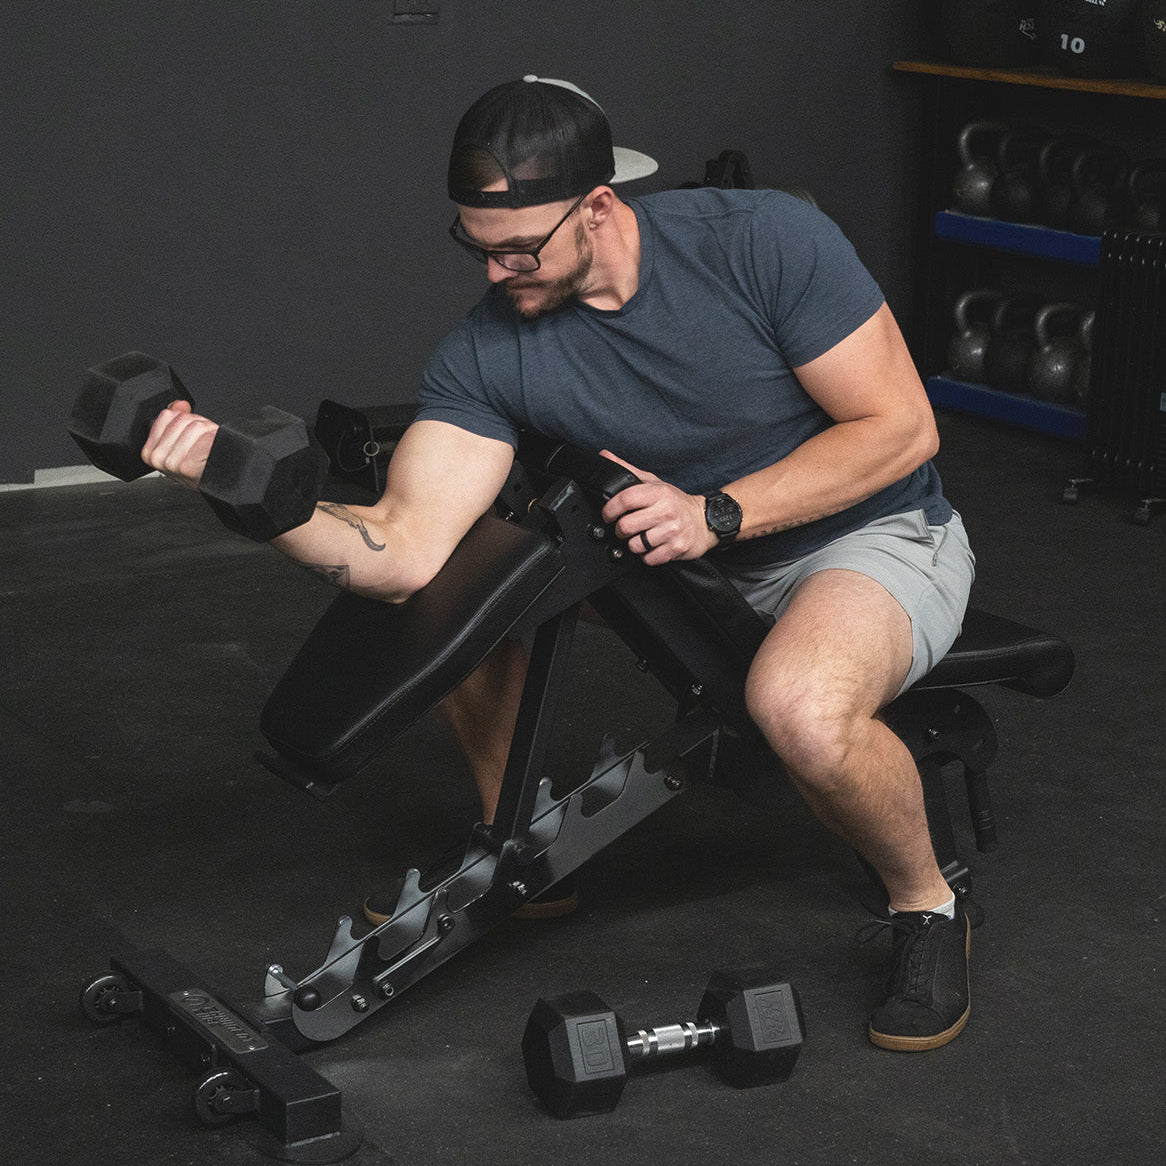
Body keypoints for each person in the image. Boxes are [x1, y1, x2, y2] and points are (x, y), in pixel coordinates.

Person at [141, 75, 977, 1053]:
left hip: (861, 535)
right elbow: (401, 552)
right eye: (474, 245)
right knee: (469, 583)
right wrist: (250, 493)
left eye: (519, 249)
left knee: (797, 707)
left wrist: (719, 510)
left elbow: (898, 428)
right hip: (673, 558)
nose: (496, 274)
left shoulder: (759, 242)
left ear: (598, 207)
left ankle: (927, 902)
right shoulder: (488, 353)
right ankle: (519, 850)